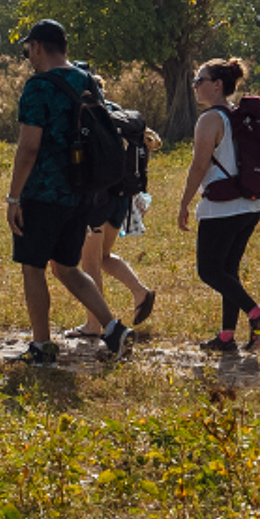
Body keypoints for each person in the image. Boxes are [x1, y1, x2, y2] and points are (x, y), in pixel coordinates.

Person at [3, 20, 137, 365]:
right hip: (82, 192)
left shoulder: (38, 87)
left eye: (28, 49)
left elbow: (29, 147)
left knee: (33, 267)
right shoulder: (87, 81)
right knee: (66, 267)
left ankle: (42, 346)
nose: (28, 56)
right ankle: (114, 329)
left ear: (36, 47)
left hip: (44, 192)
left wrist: (14, 197)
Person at [177, 57, 260, 353]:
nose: (195, 86)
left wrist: (184, 204)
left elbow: (198, 167)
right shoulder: (238, 116)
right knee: (228, 272)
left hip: (223, 207)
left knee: (209, 271)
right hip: (250, 205)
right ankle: (226, 337)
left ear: (217, 85)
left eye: (200, 81)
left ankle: (258, 315)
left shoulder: (210, 119)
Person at [57, 73, 160, 338]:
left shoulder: (86, 115)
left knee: (89, 265)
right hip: (121, 199)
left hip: (97, 201)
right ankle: (140, 292)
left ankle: (93, 325)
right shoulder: (116, 113)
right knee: (102, 257)